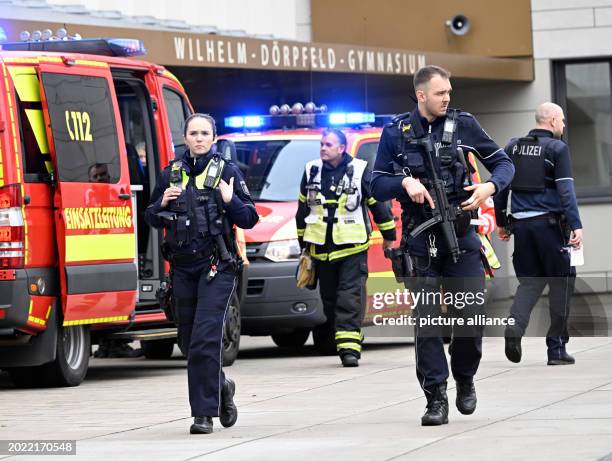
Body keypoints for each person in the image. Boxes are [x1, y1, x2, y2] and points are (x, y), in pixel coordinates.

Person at [371, 65, 514, 426]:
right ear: (421, 95)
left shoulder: (463, 125)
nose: (447, 98)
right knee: (428, 323)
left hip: (462, 237)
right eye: (440, 93)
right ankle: (435, 397)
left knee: (469, 318)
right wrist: (404, 185)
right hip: (420, 240)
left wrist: (489, 187)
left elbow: (503, 163)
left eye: (449, 91)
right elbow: (375, 184)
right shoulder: (396, 132)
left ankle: (464, 377)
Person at [145, 113, 258, 434]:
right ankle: (221, 387)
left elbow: (250, 217)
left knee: (206, 339)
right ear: (185, 137)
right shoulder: (171, 174)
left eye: (204, 133)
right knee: (188, 341)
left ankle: (203, 414)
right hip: (182, 268)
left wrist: (229, 199)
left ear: (213, 137)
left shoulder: (228, 171)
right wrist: (160, 204)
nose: (198, 138)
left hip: (217, 266)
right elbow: (151, 218)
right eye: (193, 133)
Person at [296, 128, 396, 367]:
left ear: (341, 148)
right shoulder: (311, 171)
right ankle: (349, 336)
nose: (323, 148)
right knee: (329, 300)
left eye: (328, 144)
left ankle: (349, 350)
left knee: (349, 298)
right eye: (321, 144)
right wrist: (304, 246)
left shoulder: (360, 170)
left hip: (352, 248)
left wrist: (389, 236)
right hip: (321, 250)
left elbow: (377, 205)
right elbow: (302, 212)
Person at [494, 102, 583, 366]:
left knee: (530, 283)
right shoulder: (557, 149)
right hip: (550, 228)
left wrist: (502, 222)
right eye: (563, 121)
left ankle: (515, 326)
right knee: (562, 283)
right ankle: (556, 350)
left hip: (521, 228)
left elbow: (500, 188)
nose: (564, 125)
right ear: (553, 121)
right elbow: (566, 191)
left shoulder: (512, 147)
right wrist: (576, 225)